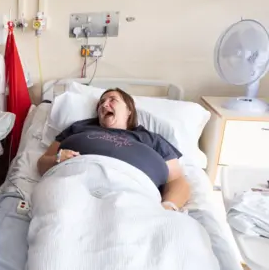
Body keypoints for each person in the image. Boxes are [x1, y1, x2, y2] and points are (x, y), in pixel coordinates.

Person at [37, 88, 191, 211]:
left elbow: (177, 179)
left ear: (129, 110)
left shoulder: (152, 139)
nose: (104, 105)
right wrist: (57, 159)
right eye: (101, 103)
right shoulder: (78, 128)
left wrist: (169, 205)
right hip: (74, 183)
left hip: (134, 193)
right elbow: (43, 162)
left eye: (112, 100)